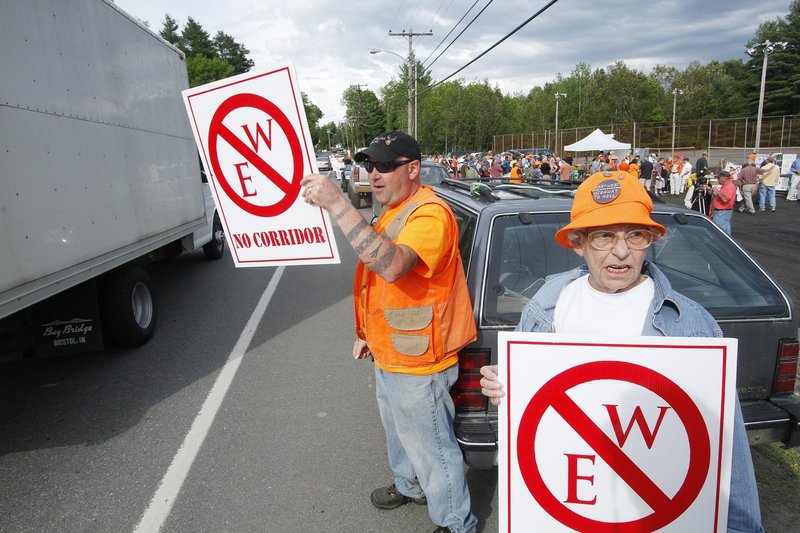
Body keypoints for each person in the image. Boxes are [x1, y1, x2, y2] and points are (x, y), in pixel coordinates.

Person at [478, 170, 763, 532]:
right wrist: (507, 383)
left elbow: (729, 454)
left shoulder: (690, 325)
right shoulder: (548, 302)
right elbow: (535, 414)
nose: (622, 251)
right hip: (568, 506)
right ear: (578, 243)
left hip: (650, 515)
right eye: (603, 236)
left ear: (650, 240)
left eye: (636, 235)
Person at [300, 130, 477, 533]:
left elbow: (391, 266)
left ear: (413, 169)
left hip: (421, 358)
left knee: (431, 444)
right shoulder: (397, 207)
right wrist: (365, 332)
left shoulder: (429, 213)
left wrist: (337, 203)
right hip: (391, 348)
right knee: (400, 429)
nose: (373, 174)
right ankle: (410, 484)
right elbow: (380, 283)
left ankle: (455, 522)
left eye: (384, 165)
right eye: (369, 165)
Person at [711, 170, 736, 235]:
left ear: (723, 178)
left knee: (719, 231)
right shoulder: (726, 185)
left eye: (718, 178)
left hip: (722, 212)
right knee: (725, 231)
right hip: (723, 211)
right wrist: (715, 194)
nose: (718, 180)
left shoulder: (729, 187)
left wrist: (717, 192)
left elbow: (725, 200)